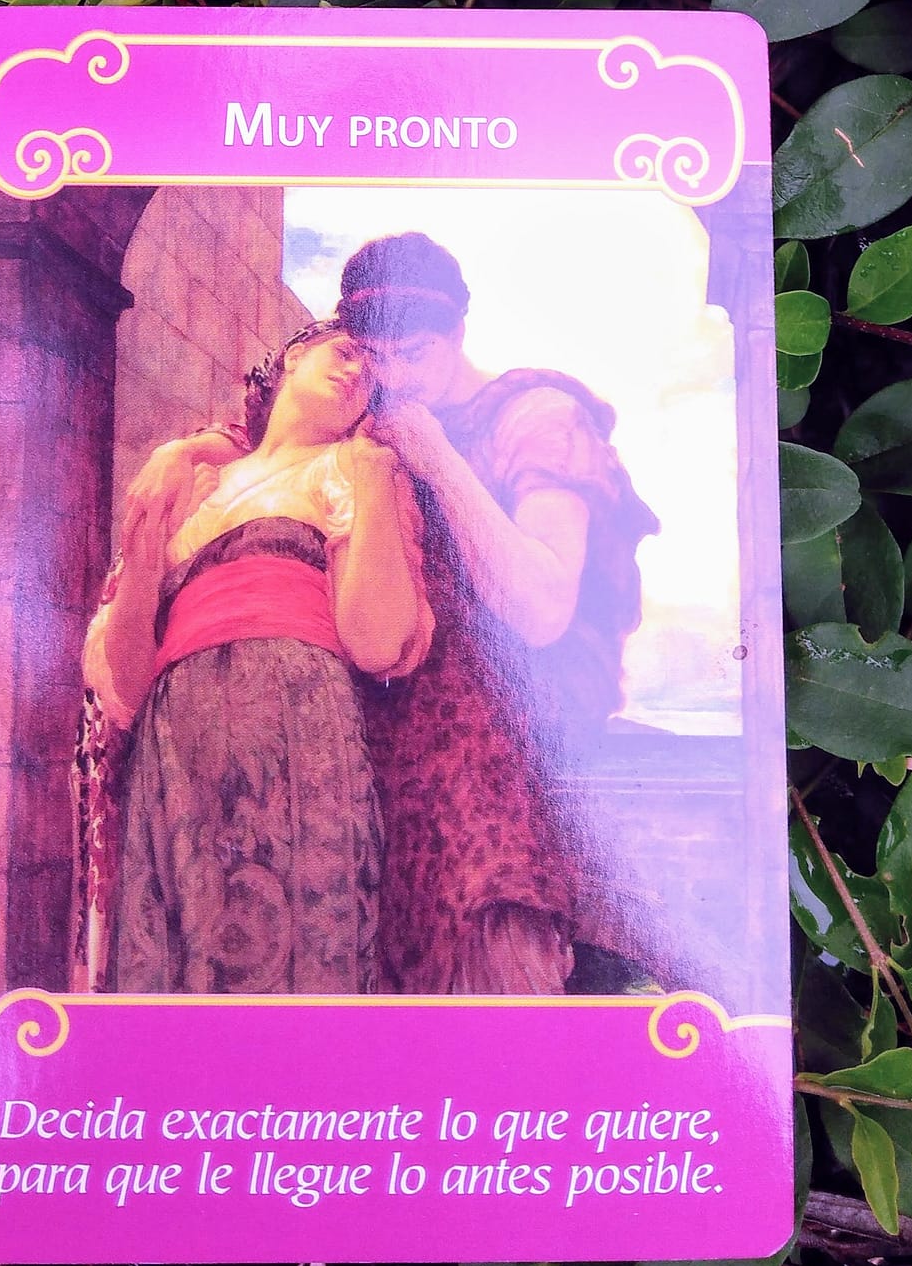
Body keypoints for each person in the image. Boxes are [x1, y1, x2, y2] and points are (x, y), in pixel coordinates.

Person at [336, 232, 660, 994]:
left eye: (412, 353)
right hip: (412, 703)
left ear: (457, 332)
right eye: (374, 357)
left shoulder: (536, 416)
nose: (393, 377)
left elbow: (541, 611)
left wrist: (438, 461)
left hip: (533, 708)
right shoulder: (371, 424)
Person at [81, 321, 430, 995]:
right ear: (294, 358)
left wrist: (374, 477)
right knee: (178, 959)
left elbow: (377, 641)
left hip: (296, 725)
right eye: (345, 353)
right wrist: (145, 548)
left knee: (291, 955)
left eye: (371, 374)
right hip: (174, 737)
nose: (357, 373)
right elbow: (126, 681)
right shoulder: (192, 483)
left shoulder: (349, 469)